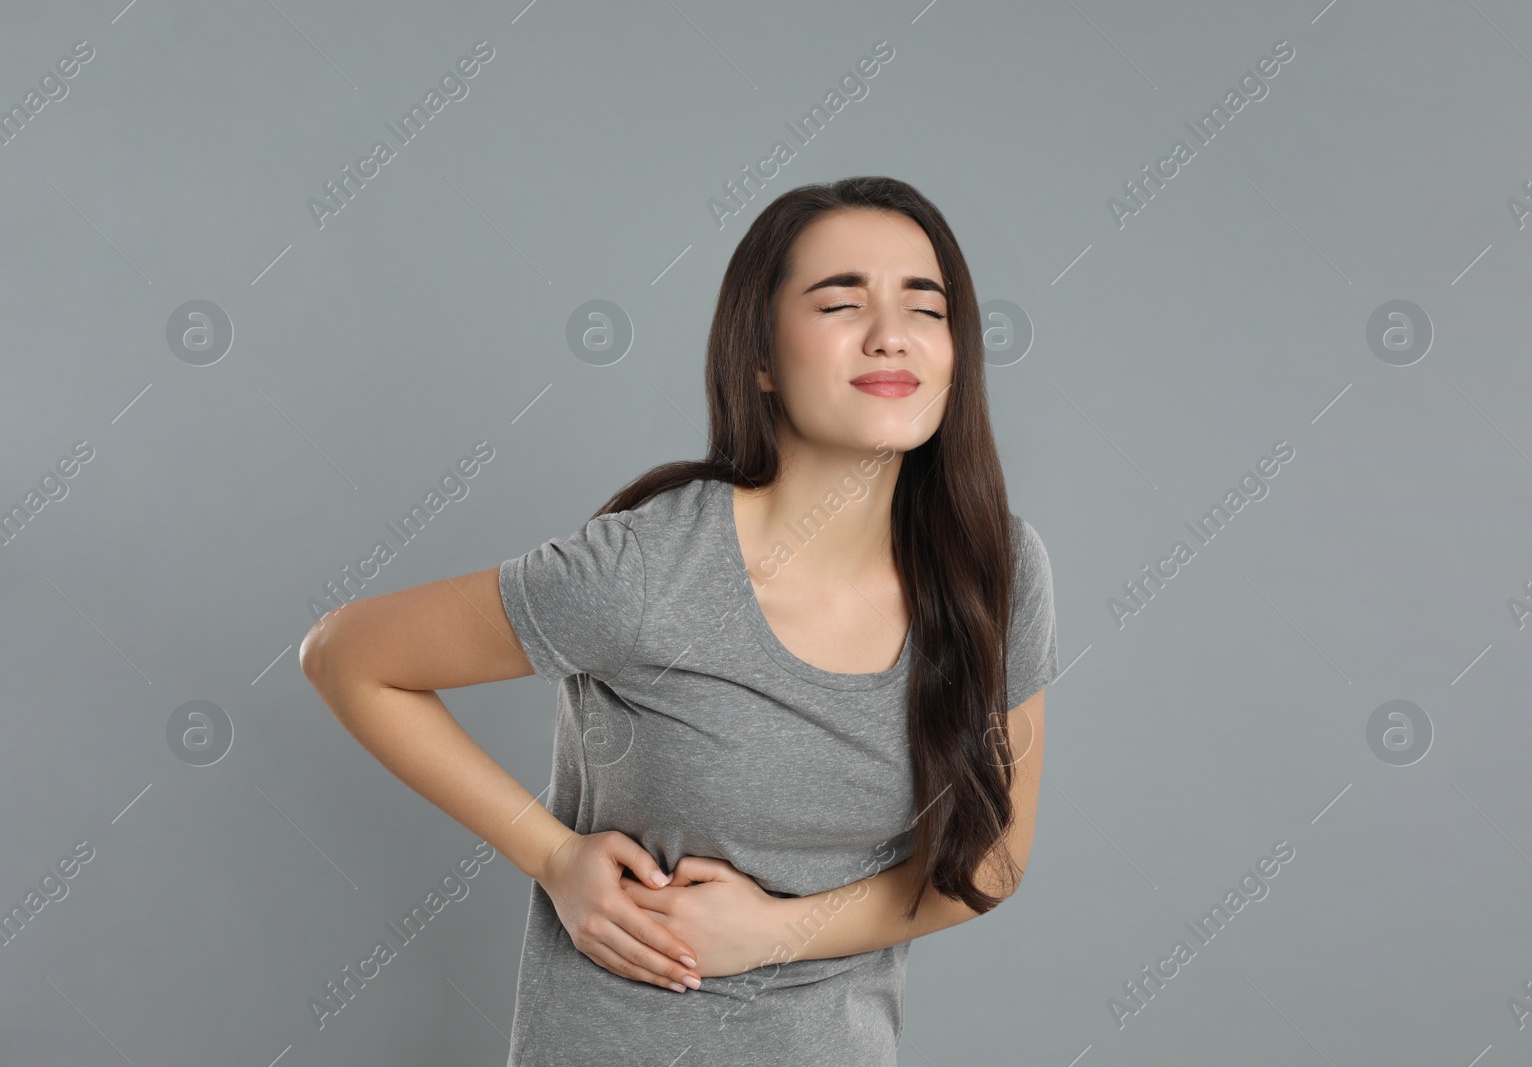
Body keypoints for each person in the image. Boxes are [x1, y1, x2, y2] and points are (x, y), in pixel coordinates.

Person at [300, 175, 1059, 1066]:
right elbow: (346, 655)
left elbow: (990, 864)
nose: (890, 334)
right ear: (762, 357)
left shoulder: (993, 569)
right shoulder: (650, 567)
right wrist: (553, 857)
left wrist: (776, 932)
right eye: (841, 301)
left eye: (925, 309)